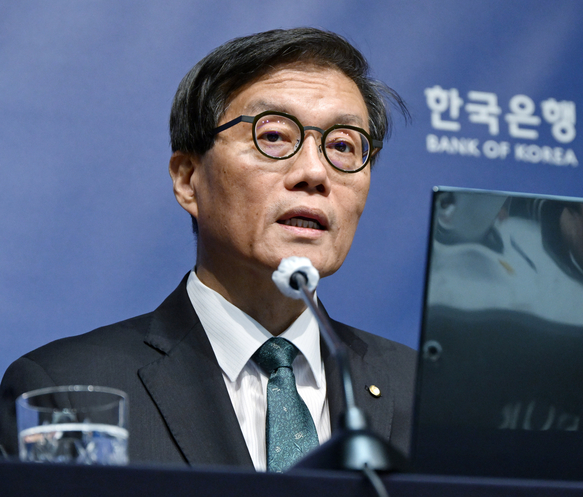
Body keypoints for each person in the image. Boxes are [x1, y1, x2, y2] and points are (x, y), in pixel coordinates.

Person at [0, 28, 416, 471]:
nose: (314, 173)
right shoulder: (66, 391)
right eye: (274, 136)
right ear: (187, 179)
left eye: (342, 145)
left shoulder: (425, 396)